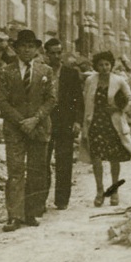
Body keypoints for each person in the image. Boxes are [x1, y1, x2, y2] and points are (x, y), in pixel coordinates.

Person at [0, 29, 55, 231]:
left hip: (38, 127)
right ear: (16, 49)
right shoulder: (6, 71)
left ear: (36, 49)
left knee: (36, 171)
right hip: (15, 128)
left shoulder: (45, 71)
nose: (27, 50)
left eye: (31, 46)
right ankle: (14, 215)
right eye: (23, 46)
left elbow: (51, 99)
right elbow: (3, 102)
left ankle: (30, 212)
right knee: (15, 170)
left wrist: (36, 119)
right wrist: (22, 121)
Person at [82, 50, 131, 206]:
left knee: (114, 158)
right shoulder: (90, 80)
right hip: (95, 123)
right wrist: (85, 125)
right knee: (96, 158)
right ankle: (99, 191)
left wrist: (119, 109)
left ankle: (114, 191)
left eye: (107, 64)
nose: (104, 68)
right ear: (96, 66)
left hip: (112, 124)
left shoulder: (119, 80)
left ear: (111, 65)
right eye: (101, 65)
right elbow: (87, 102)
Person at [44, 38, 84, 210]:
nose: (56, 56)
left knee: (64, 160)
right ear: (46, 54)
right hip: (45, 121)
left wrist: (77, 121)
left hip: (66, 122)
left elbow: (79, 100)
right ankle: (40, 200)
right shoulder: (41, 73)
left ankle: (62, 200)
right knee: (43, 161)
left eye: (59, 52)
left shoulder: (71, 73)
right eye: (52, 53)